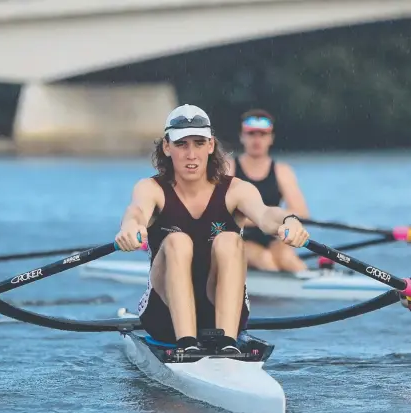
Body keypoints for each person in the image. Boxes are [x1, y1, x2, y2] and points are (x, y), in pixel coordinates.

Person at [115, 104, 309, 355]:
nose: (191, 154)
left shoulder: (237, 189)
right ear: (166, 147)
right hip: (163, 318)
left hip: (222, 315)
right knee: (177, 242)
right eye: (181, 144)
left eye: (198, 143)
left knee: (229, 240)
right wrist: (130, 227)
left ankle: (227, 344)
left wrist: (289, 221)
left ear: (211, 145)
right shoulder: (151, 188)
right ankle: (186, 343)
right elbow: (137, 211)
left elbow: (266, 214)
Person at [227, 109, 310, 272]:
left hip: (273, 236)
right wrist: (265, 217)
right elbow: (219, 211)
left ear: (271, 138)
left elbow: (302, 213)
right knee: (266, 261)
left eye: (262, 134)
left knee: (288, 260)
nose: (257, 140)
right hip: (239, 237)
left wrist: (269, 219)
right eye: (251, 134)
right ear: (242, 137)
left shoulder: (282, 171)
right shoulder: (229, 168)